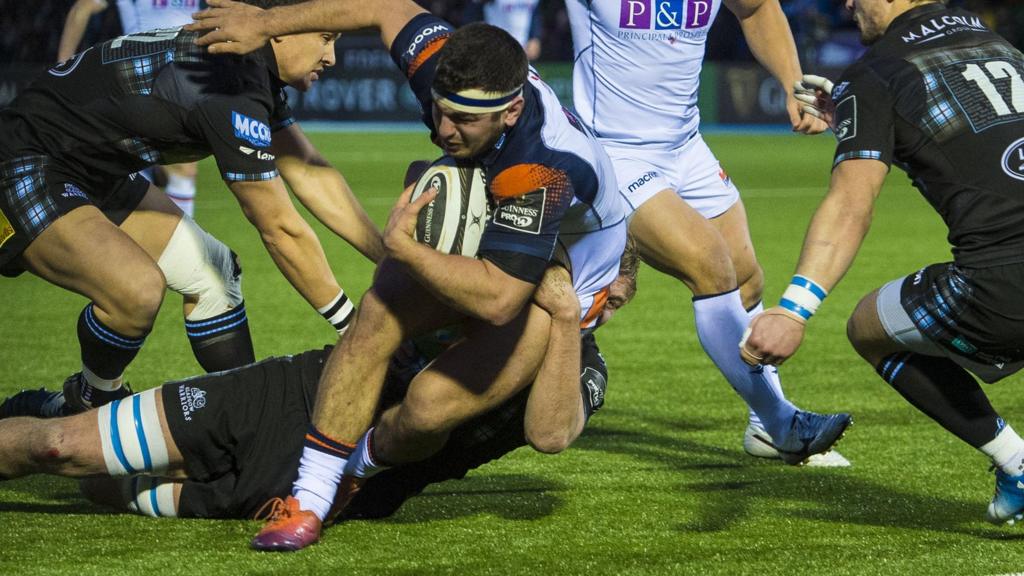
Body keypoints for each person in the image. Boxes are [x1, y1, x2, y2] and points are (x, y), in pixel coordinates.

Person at [189, 0, 628, 551]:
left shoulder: (541, 168)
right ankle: (311, 497)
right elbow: (384, 6)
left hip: (555, 283)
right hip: (497, 223)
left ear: (511, 112)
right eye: (441, 110)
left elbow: (498, 300)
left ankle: (359, 465)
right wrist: (263, 24)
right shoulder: (445, 62)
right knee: (380, 309)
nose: (444, 129)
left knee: (424, 411)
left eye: (464, 120)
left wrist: (402, 246)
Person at [0, 263, 616, 522]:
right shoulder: (495, 272)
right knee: (60, 449)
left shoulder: (583, 366)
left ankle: (67, 413)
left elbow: (550, 434)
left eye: (610, 299)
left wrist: (566, 321)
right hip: (289, 395)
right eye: (599, 290)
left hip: (347, 494)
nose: (601, 306)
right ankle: (58, 412)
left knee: (99, 488)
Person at [0, 0, 381, 417]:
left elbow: (311, 174)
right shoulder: (229, 81)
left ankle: (245, 422)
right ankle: (87, 406)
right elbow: (279, 228)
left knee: (214, 274)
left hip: (90, 169)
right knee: (135, 290)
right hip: (24, 160)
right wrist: (356, 328)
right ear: (280, 30)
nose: (332, 56)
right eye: (326, 38)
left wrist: (391, 258)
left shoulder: (247, 65)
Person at [741, 0, 1024, 524]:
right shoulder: (996, 43)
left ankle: (1017, 462)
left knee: (869, 328)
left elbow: (851, 205)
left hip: (1005, 285)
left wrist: (792, 311)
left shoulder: (878, 70)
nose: (847, 4)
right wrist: (856, 113)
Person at [563, 0, 851, 465]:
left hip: (685, 146)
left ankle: (765, 429)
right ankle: (783, 423)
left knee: (746, 279)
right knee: (710, 268)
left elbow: (757, 9)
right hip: (613, 151)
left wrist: (793, 86)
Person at [57, 0, 205, 216]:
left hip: (185, 78)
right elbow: (83, 7)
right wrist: (62, 66)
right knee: (182, 168)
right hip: (144, 75)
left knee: (147, 169)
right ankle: (180, 242)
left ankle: (146, 236)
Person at [464, 0, 543, 61]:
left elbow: (534, 13)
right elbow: (472, 14)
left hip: (522, 48)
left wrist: (534, 37)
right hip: (495, 48)